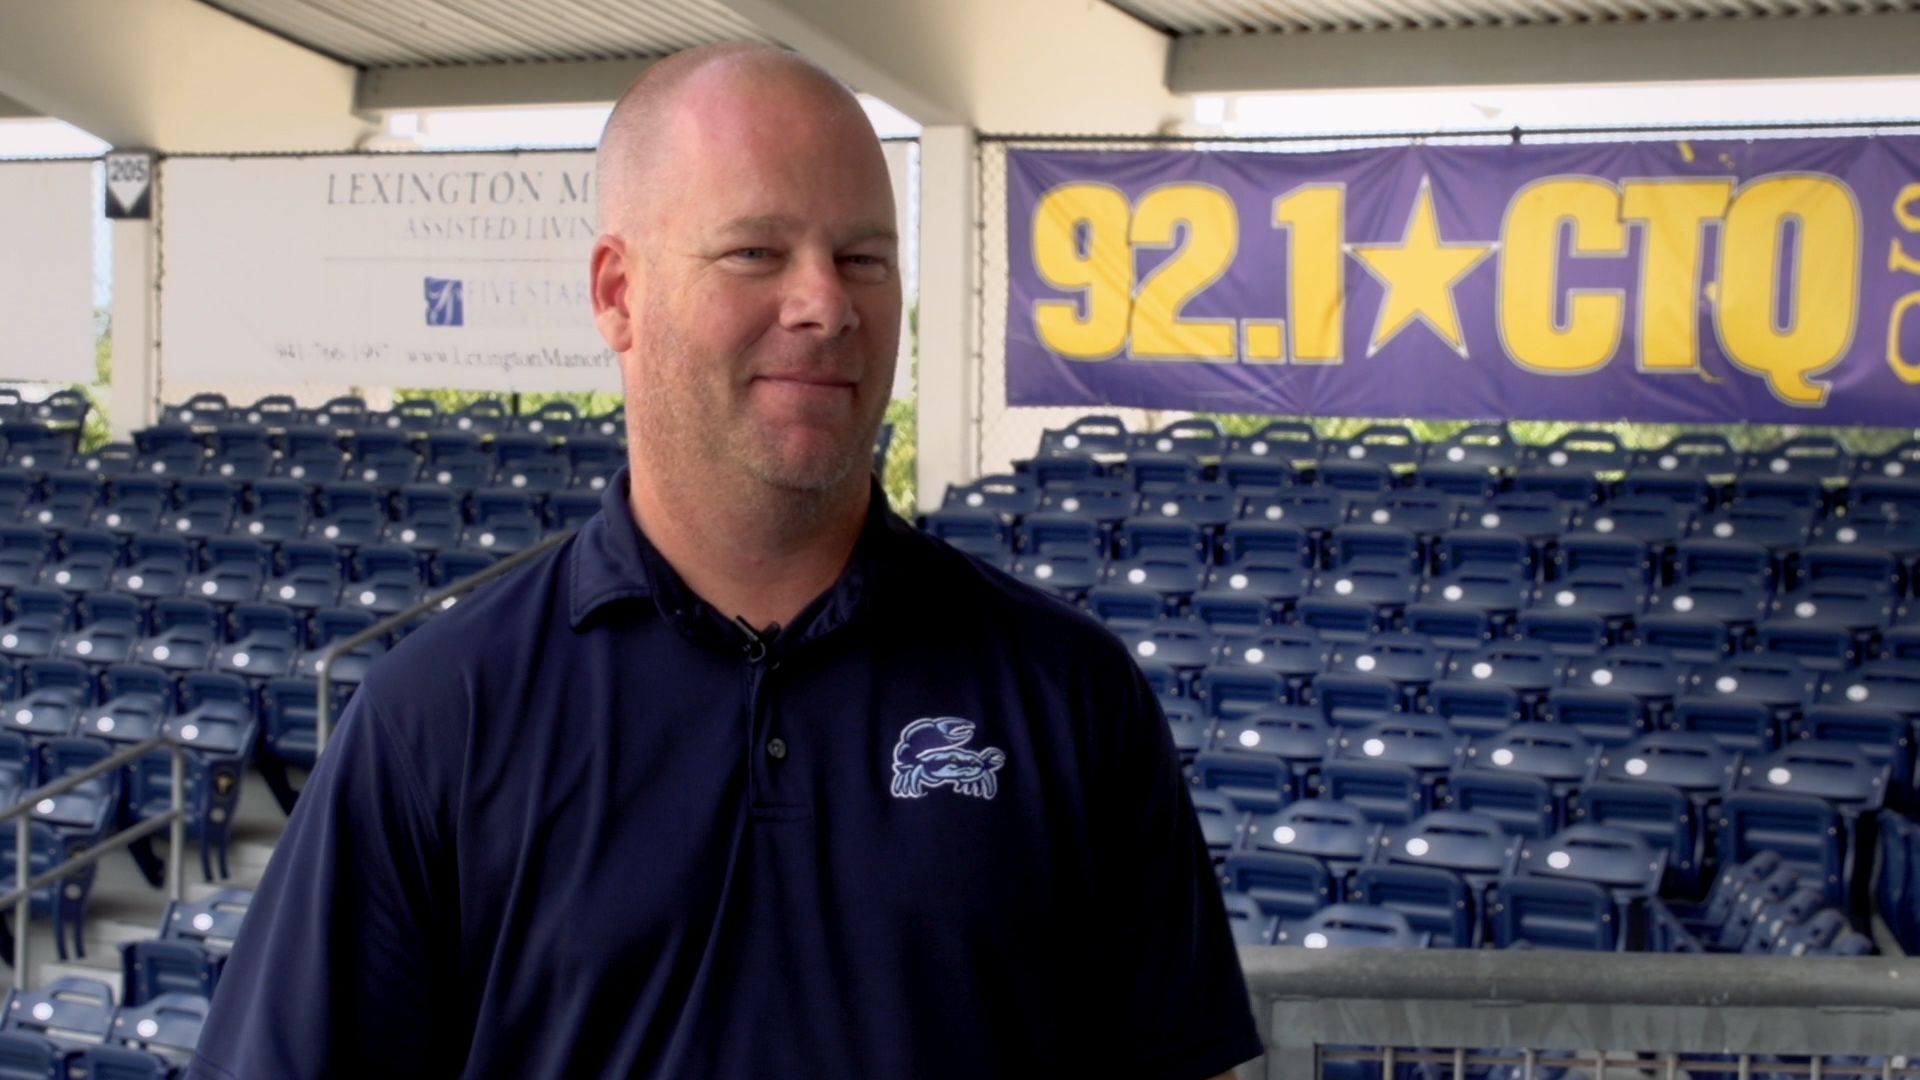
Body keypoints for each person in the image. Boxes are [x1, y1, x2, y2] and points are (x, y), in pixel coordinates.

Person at [189, 42, 1261, 1080]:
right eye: (755, 251)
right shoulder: (436, 719)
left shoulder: (1068, 692)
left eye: (864, 258)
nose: (826, 304)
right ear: (618, 293)